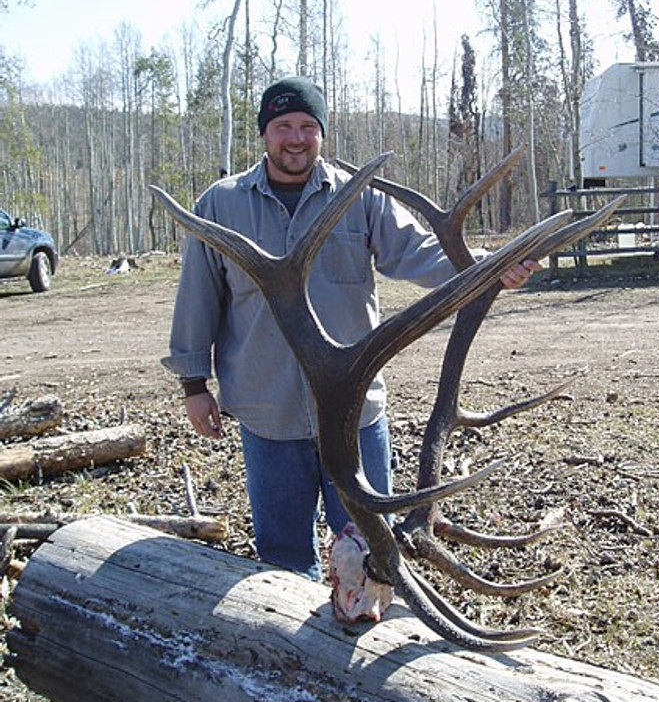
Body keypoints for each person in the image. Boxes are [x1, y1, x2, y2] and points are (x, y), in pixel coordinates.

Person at [163, 76, 538, 582]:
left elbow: (419, 251)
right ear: (263, 134)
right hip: (268, 413)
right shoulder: (221, 205)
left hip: (354, 414)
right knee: (282, 559)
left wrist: (490, 266)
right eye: (282, 127)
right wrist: (193, 384)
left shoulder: (359, 195)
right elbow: (197, 299)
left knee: (372, 553)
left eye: (306, 126)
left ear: (321, 133)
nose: (294, 138)